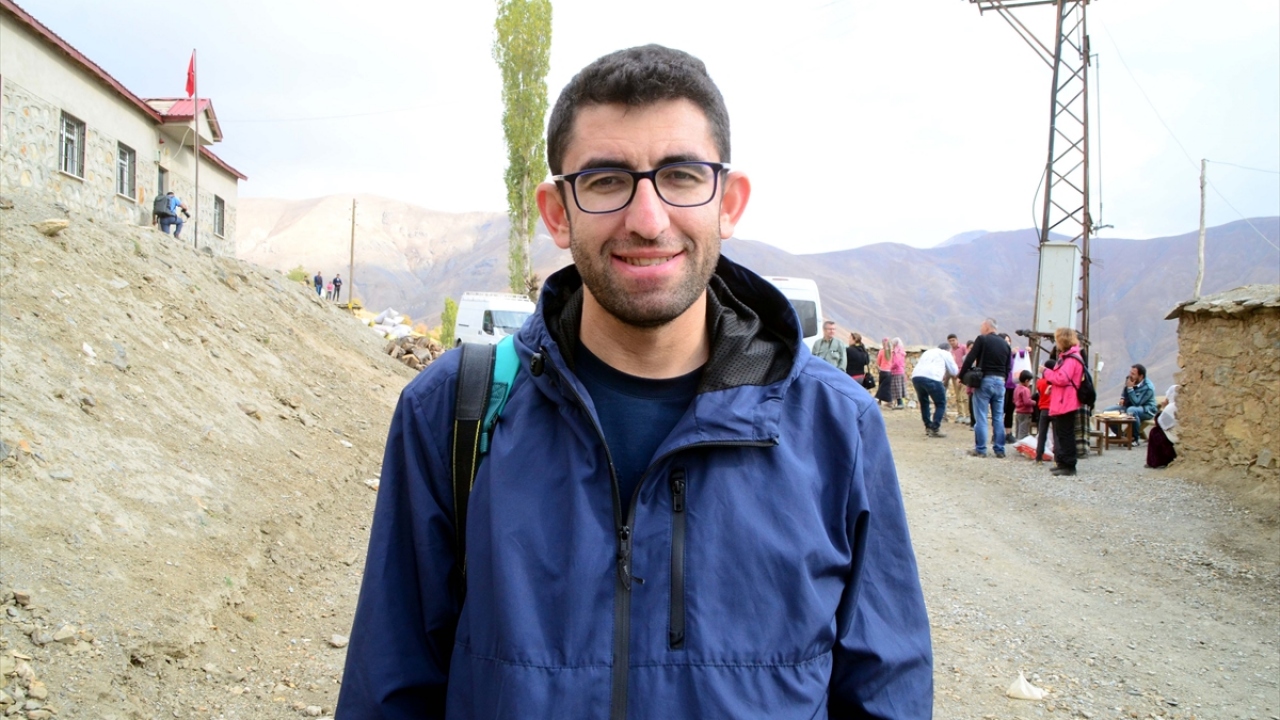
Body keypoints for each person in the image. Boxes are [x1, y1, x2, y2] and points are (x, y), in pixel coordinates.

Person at [336, 44, 932, 718]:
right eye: (606, 180)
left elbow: (887, 696)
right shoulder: (453, 413)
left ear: (727, 203)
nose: (647, 220)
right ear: (558, 212)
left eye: (680, 175)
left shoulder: (838, 428)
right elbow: (388, 692)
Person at [959, 318, 1012, 458]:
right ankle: (1000, 449)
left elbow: (970, 358)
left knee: (981, 416)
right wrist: (1003, 379)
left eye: (982, 325)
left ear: (988, 327)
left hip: (985, 380)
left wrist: (961, 375)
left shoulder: (982, 339)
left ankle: (981, 449)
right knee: (998, 417)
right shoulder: (1006, 344)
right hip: (1000, 382)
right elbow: (1008, 367)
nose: (980, 328)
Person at [1042, 326, 1084, 476]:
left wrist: (1045, 372)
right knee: (1061, 432)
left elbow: (1062, 378)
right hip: (1063, 399)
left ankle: (1069, 464)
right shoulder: (1067, 357)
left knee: (1066, 434)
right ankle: (1062, 462)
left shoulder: (1071, 359)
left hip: (1066, 401)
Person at [911, 342, 959, 438]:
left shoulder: (928, 352)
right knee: (941, 403)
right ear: (948, 349)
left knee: (924, 402)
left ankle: (928, 425)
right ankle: (935, 427)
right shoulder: (945, 354)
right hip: (933, 378)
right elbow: (954, 371)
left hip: (917, 376)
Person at [1103, 364, 1157, 444]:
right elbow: (1125, 391)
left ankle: (1134, 438)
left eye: (1133, 374)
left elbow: (1137, 403)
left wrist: (1130, 389)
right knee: (1106, 412)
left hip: (1146, 409)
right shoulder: (1130, 380)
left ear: (1141, 376)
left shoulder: (1148, 387)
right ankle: (1121, 435)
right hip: (1129, 406)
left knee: (1132, 411)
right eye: (1130, 372)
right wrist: (1123, 398)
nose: (1130, 375)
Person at [1146, 385, 1178, 468]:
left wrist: (1163, 409)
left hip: (1174, 435)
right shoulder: (1177, 405)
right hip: (1177, 433)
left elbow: (1161, 423)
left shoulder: (1171, 407)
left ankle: (1156, 461)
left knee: (1154, 432)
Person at [947, 333, 969, 424]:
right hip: (954, 375)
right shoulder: (950, 351)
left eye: (953, 340)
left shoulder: (963, 348)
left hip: (963, 375)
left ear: (957, 340)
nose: (952, 342)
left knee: (965, 395)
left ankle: (967, 415)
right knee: (958, 395)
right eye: (950, 341)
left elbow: (967, 360)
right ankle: (960, 414)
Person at [1034, 367, 1054, 462]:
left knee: (1042, 433)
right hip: (1054, 409)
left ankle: (1039, 456)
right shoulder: (1055, 383)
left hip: (1043, 409)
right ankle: (1057, 457)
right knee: (1056, 434)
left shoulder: (1040, 382)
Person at [1013, 369, 1035, 440]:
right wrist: (1034, 402)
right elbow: (1027, 402)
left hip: (1018, 411)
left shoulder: (1016, 388)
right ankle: (1021, 444)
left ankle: (1017, 442)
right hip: (1025, 412)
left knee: (1018, 428)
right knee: (1023, 430)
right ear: (1026, 381)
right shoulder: (1025, 390)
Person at [873, 337, 894, 407]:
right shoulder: (892, 352)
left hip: (882, 371)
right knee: (887, 387)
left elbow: (878, 362)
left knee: (881, 385)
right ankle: (889, 401)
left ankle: (878, 400)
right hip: (889, 372)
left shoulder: (881, 352)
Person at [889, 337, 907, 409]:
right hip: (901, 371)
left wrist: (891, 367)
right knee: (899, 387)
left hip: (896, 372)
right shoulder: (901, 351)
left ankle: (900, 403)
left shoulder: (897, 352)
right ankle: (900, 403)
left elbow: (896, 363)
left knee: (897, 387)